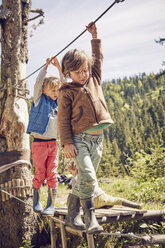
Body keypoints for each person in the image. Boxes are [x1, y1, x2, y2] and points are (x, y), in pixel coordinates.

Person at [58, 21, 114, 234]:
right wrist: (67, 143)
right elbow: (63, 120)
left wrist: (95, 35)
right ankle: (90, 217)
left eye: (85, 70)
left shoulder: (94, 79)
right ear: (67, 72)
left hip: (97, 141)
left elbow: (97, 57)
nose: (83, 75)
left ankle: (72, 215)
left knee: (84, 179)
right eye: (78, 72)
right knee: (89, 177)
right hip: (80, 140)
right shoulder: (66, 92)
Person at [27, 57, 63, 216]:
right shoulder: (38, 100)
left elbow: (65, 87)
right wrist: (46, 68)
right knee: (40, 172)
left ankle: (51, 204)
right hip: (39, 144)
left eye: (57, 90)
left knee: (52, 174)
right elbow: (37, 83)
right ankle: (36, 200)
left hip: (53, 144)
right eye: (53, 90)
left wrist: (59, 69)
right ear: (44, 90)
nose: (56, 93)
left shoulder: (58, 103)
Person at [67, 162, 143, 209]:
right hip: (101, 197)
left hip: (89, 203)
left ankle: (103, 205)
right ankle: (137, 206)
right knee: (117, 200)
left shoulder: (75, 178)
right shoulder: (89, 173)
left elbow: (76, 194)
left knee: (72, 196)